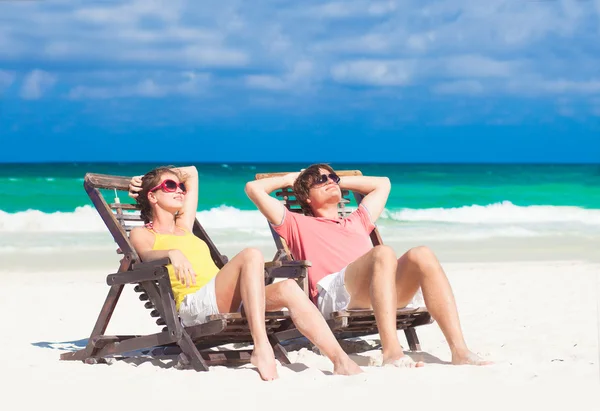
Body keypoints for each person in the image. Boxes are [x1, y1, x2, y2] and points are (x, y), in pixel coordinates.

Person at [128, 165, 362, 381]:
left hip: (225, 299)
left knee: (289, 287)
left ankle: (340, 360)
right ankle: (261, 346)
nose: (180, 190)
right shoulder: (143, 233)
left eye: (180, 186)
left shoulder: (184, 227)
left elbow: (192, 173)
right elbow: (145, 255)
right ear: (152, 196)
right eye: (170, 186)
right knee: (251, 254)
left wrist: (291, 179)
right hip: (194, 305)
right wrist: (172, 253)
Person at [245, 164, 492, 367]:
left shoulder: (358, 220)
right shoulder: (295, 223)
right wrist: (292, 178)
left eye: (331, 178)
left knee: (422, 254)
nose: (329, 181)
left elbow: (383, 183)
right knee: (382, 253)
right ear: (307, 197)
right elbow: (253, 189)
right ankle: (392, 351)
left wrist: (336, 179)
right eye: (320, 181)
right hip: (333, 293)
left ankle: (460, 351)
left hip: (379, 290)